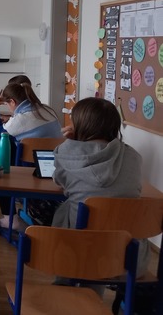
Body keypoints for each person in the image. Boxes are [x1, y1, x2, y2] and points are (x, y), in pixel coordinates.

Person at [52, 97, 148, 286]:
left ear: (79, 125)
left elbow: (59, 180)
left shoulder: (67, 153)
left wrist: (70, 144)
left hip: (77, 251)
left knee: (66, 211)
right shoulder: (133, 156)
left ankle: (66, 287)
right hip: (127, 257)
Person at [0, 81, 61, 230]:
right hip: (55, 164)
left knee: (0, 168)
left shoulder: (22, 119)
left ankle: (9, 219)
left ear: (12, 102)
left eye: (7, 104)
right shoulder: (47, 109)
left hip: (29, 169)